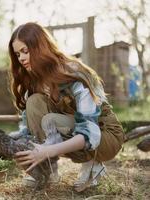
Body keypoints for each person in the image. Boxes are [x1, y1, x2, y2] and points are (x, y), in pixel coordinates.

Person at [8, 22, 125, 192]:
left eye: (25, 51)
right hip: (72, 129)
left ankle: (92, 164)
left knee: (50, 120)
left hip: (104, 135)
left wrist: (47, 150)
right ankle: (48, 170)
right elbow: (28, 130)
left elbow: (89, 133)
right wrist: (14, 145)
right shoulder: (34, 82)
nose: (21, 59)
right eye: (18, 54)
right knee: (34, 102)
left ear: (41, 47)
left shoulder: (74, 73)